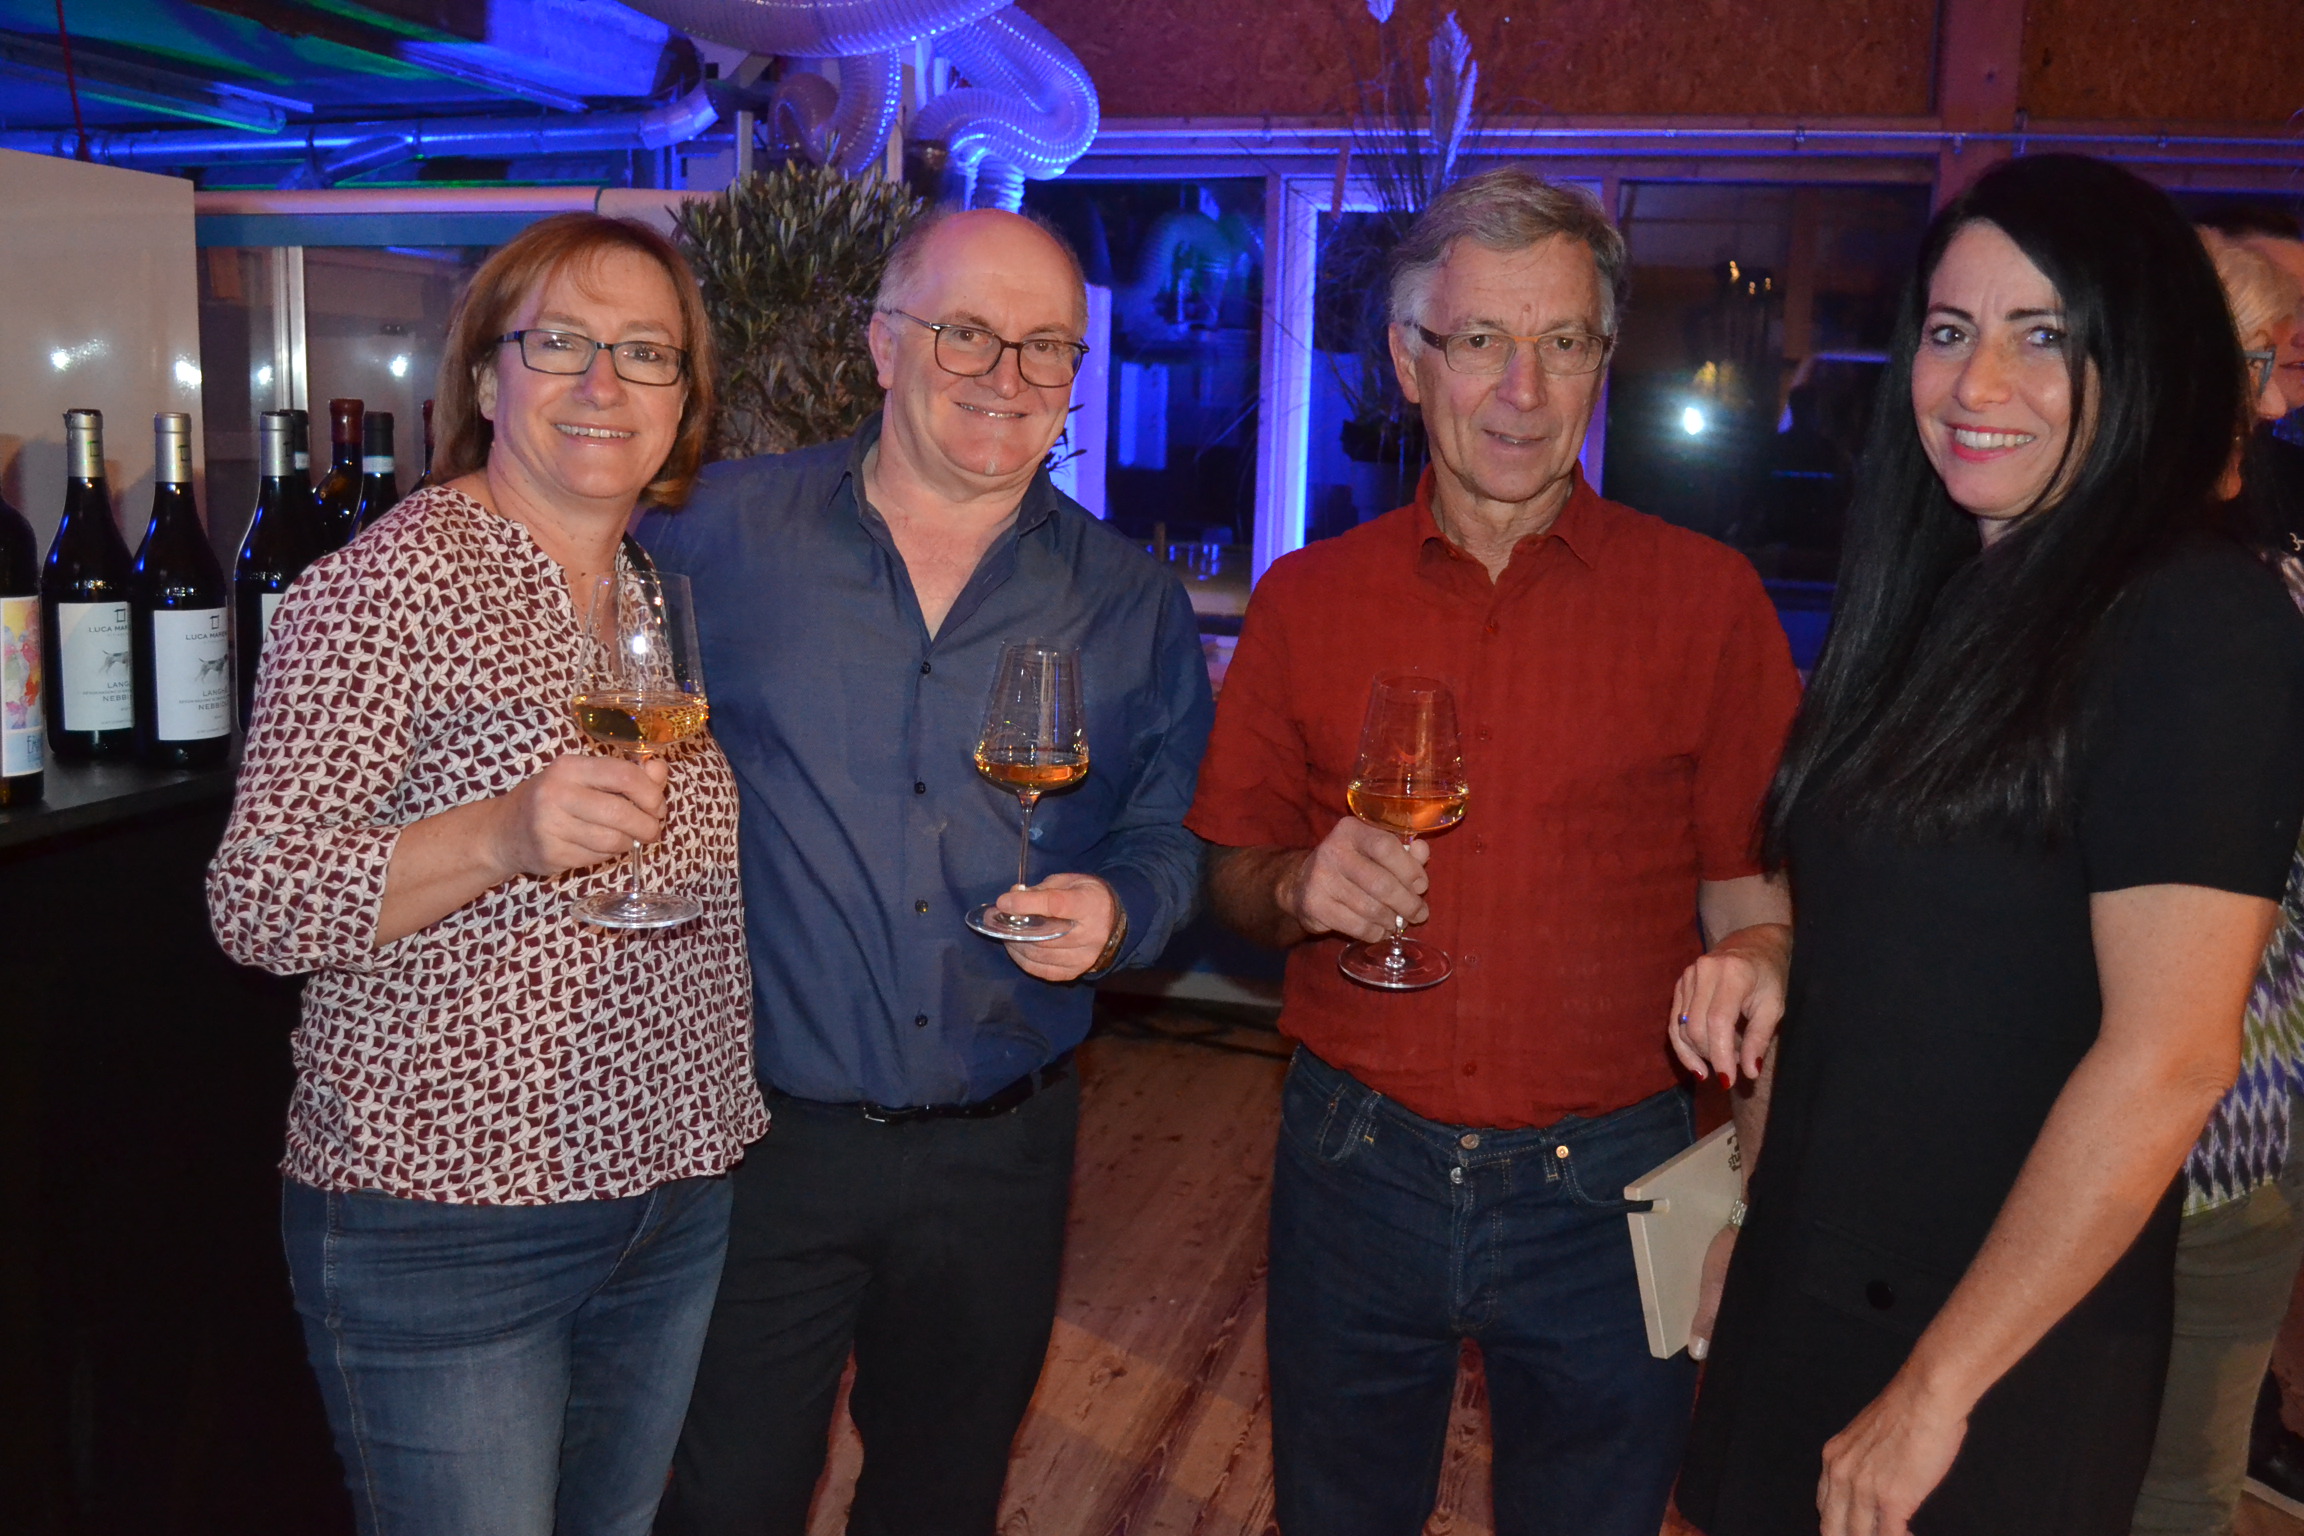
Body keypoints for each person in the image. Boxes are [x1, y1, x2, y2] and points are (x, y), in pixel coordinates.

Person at [1675, 154, 2304, 1536]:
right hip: (1826, 1268)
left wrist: (1935, 1391)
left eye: (2044, 336)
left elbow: (2172, 1059)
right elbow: (1918, 930)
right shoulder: (1942, 592)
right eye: (1952, 330)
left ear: (2143, 357)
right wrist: (1776, 961)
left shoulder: (2197, 619)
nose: (1977, 384)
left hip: (1993, 1337)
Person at [1187, 166, 1804, 1536]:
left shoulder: (1707, 603)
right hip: (1355, 1167)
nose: (1523, 389)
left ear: (1602, 361)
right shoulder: (1306, 600)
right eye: (1481, 340)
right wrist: (1298, 886)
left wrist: (1756, 1166)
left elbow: (1754, 909)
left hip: (1618, 1184)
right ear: (1411, 361)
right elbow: (1229, 873)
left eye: (1563, 341)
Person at [641, 206, 1212, 1536]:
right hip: (761, 1144)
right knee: (725, 1501)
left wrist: (1125, 907)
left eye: (1045, 346)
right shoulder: (714, 535)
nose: (1007, 375)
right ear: (884, 344)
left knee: (941, 1500)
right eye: (967, 333)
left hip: (1000, 1152)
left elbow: (1179, 827)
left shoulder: (1127, 601)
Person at [206, 213, 766, 1535]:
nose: (603, 383)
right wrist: (502, 833)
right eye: (560, 342)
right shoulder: (383, 587)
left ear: (684, 399)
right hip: (450, 1218)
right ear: (483, 377)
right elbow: (258, 900)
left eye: (646, 353)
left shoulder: (642, 593)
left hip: (670, 1190)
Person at [2129, 232, 2304, 1536]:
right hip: (2072, 1135)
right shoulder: (2031, 580)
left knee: (2184, 1485)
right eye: (2262, 361)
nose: (2281, 397)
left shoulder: (2275, 578)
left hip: (2235, 1132)